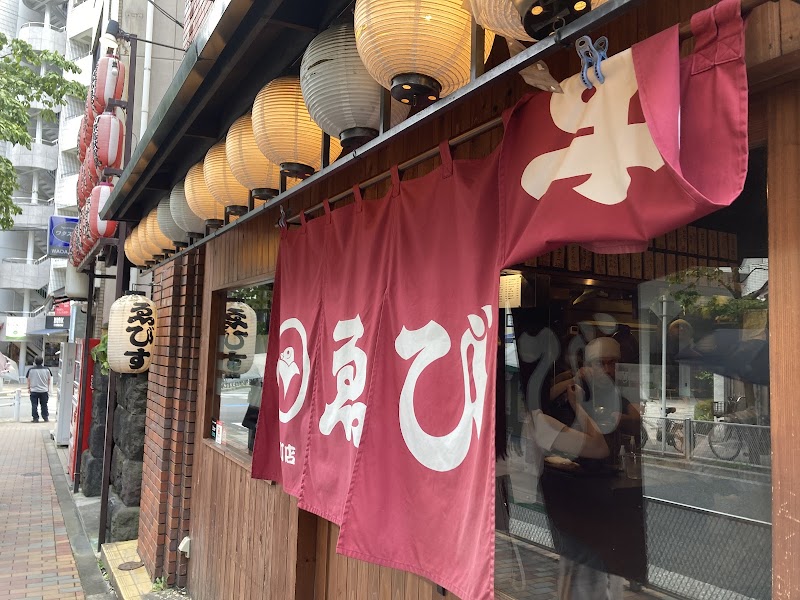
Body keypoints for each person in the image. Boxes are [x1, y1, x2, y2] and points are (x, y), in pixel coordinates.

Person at [27, 357, 51, 423]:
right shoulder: (47, 369)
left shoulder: (31, 370)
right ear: (42, 362)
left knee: (34, 405)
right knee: (44, 405)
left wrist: (29, 388)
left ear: (35, 362)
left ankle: (35, 418)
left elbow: (28, 379)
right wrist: (48, 388)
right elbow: (49, 379)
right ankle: (45, 417)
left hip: (34, 390)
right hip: (44, 390)